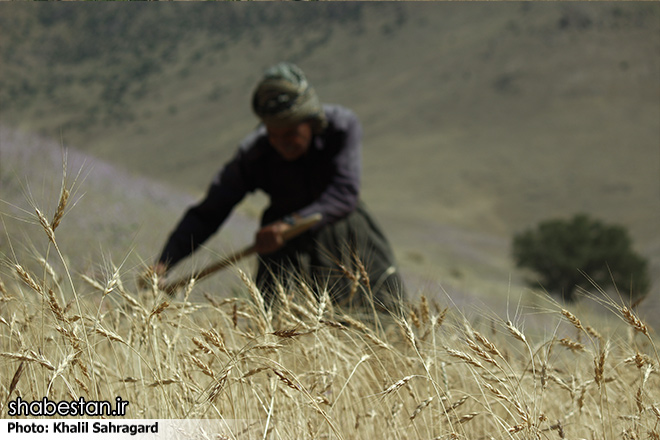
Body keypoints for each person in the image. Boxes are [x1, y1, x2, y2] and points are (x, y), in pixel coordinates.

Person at [152, 62, 404, 311]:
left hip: (344, 234)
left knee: (377, 319)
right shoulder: (254, 153)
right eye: (273, 134)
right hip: (282, 249)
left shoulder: (340, 128)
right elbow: (210, 212)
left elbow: (344, 193)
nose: (281, 142)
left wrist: (291, 224)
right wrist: (165, 262)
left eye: (291, 132)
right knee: (282, 325)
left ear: (310, 122)